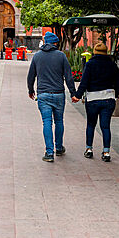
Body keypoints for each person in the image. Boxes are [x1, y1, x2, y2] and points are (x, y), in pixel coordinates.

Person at [27, 32, 78, 162]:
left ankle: (49, 153)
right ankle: (59, 147)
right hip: (58, 94)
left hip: (43, 94)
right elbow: (68, 76)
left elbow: (31, 75)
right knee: (59, 121)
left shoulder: (37, 56)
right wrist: (73, 93)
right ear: (55, 43)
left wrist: (31, 90)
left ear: (45, 43)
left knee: (47, 122)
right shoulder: (61, 56)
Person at [72, 41, 119, 162]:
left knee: (91, 124)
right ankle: (106, 152)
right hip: (108, 99)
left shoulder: (90, 64)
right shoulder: (112, 65)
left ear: (95, 52)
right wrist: (115, 94)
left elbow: (84, 82)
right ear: (106, 53)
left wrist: (77, 96)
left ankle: (89, 149)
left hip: (93, 99)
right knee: (105, 127)